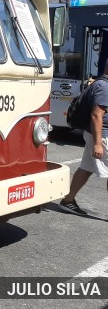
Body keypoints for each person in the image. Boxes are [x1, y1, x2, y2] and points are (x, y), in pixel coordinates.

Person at [59, 67, 108, 215]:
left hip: (96, 135)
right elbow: (96, 115)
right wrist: (98, 144)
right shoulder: (104, 87)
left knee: (86, 169)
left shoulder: (101, 84)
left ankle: (68, 200)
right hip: (102, 136)